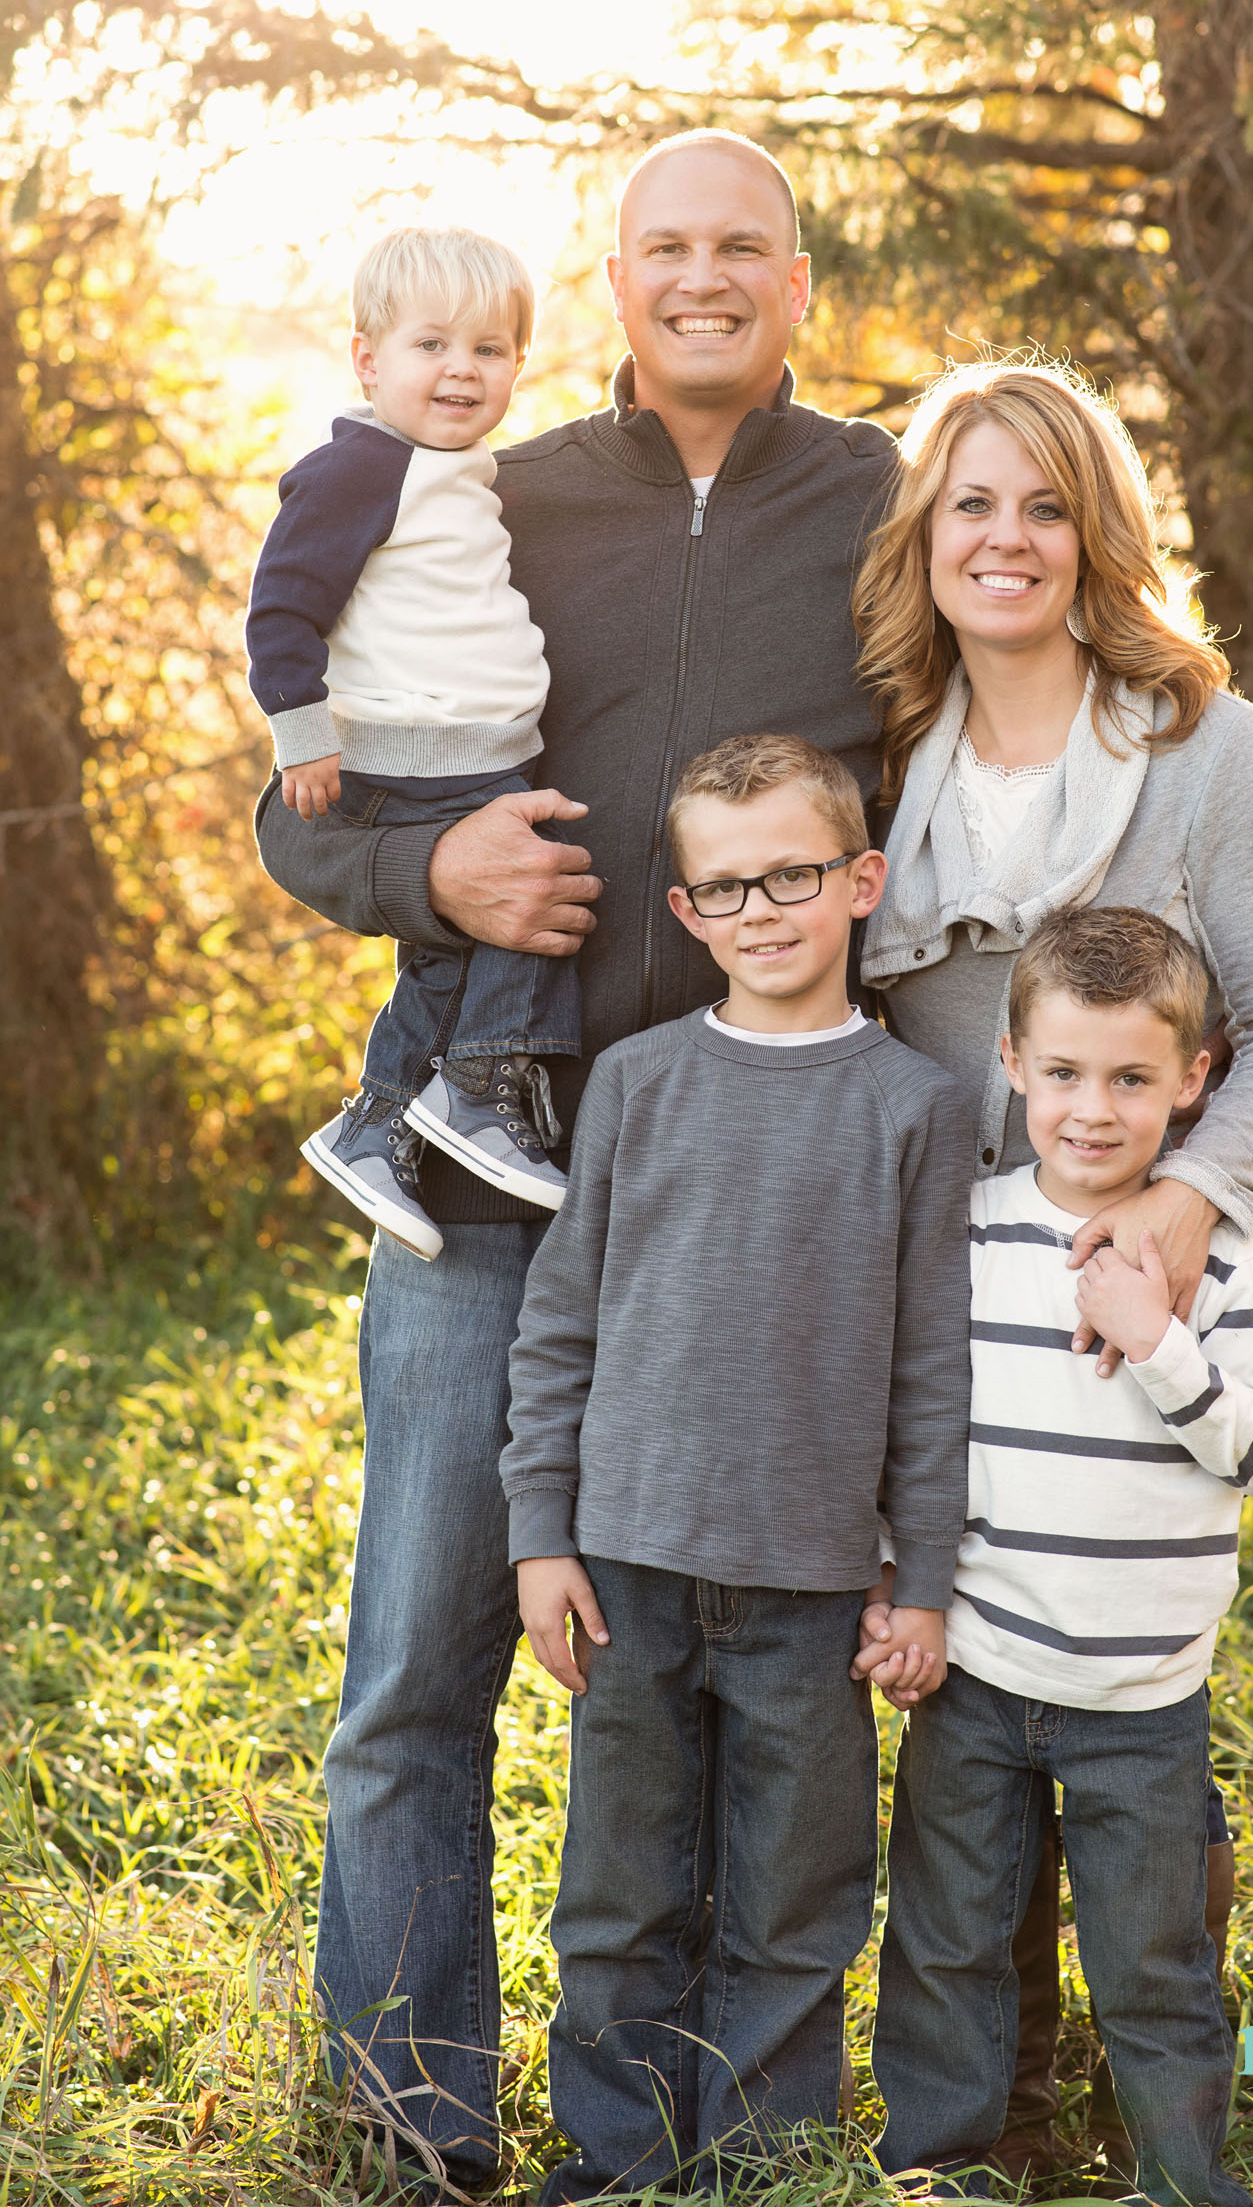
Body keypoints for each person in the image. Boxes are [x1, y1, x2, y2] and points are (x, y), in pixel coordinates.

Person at [256, 130, 900, 2191]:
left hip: (754, 1179)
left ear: (800, 284)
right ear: (614, 291)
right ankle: (411, 2115)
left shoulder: (879, 501)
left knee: (720, 1674)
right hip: (492, 1159)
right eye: (664, 252)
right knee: (417, 1666)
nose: (704, 280)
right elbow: (299, 805)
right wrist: (421, 869)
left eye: (745, 250)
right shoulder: (489, 496)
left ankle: (706, 2124)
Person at [847, 353, 1253, 2181]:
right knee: (965, 1737)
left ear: (1098, 532)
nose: (1007, 538)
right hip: (942, 1292)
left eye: (1045, 503)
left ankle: (1155, 2079)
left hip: (1136, 1287)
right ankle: (982, 2113)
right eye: (971, 501)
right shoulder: (893, 758)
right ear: (928, 533)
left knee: (1127, 1706)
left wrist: (1185, 1205)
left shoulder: (1204, 745)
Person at [500, 734, 974, 2198]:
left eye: (793, 874)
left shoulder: (917, 1107)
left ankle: (762, 2168)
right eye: (726, 885)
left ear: (859, 882)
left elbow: (934, 1370)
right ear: (690, 911)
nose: (763, 908)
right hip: (631, 1566)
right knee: (621, 1892)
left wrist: (927, 1578)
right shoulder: (638, 1083)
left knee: (797, 1897)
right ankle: (617, 2165)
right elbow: (559, 1324)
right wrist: (540, 1535)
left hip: (815, 1592)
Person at [862, 904, 1253, 2207]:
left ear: (1194, 1081)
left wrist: (1158, 1344)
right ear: (1009, 1064)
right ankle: (957, 2161)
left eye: (1130, 1079)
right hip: (979, 1670)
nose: (1092, 1110)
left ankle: (1176, 2174)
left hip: (1142, 1700)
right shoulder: (967, 1231)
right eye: (1062, 1074)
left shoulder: (1223, 1257)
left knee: (1150, 1958)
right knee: (949, 1940)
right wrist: (895, 1581)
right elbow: (916, 1422)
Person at [252, 225, 576, 1254]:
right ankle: (477, 1087)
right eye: (431, 345)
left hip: (479, 756)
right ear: (368, 360)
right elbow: (282, 608)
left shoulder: (458, 471)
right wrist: (304, 737)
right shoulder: (359, 469)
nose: (460, 370)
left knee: (451, 958)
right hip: (414, 762)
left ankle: (384, 1120)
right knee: (537, 903)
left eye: (489, 350)